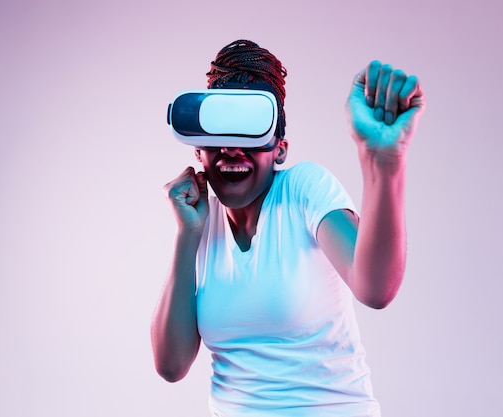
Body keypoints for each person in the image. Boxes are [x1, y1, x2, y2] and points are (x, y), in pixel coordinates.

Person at [151, 39, 425, 416]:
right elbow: (171, 365)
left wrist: (382, 161)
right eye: (221, 135)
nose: (233, 149)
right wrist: (187, 236)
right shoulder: (201, 221)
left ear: (279, 148)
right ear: (199, 149)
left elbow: (376, 288)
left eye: (249, 132)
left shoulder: (303, 190)